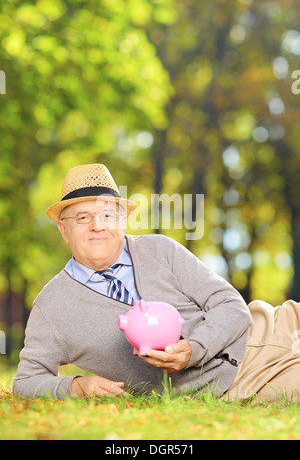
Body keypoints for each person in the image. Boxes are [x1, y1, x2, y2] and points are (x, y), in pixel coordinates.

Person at [13, 164, 300, 402]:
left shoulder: (160, 249)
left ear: (122, 220)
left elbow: (231, 305)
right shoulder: (51, 306)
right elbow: (26, 381)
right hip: (245, 383)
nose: (97, 225)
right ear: (64, 229)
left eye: (107, 214)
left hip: (274, 325)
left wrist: (193, 349)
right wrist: (77, 387)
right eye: (83, 217)